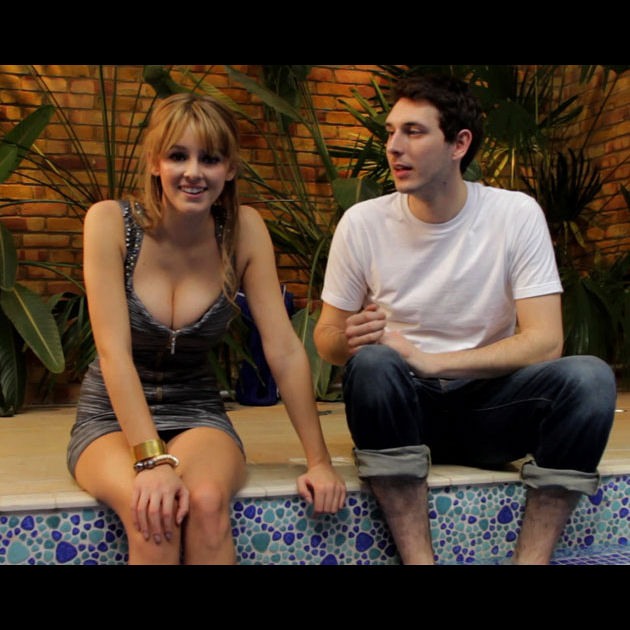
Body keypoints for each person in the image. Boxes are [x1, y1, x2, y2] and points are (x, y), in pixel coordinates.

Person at [313, 75, 616, 565]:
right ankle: (419, 560)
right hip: (404, 410)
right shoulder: (363, 222)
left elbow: (545, 342)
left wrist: (432, 361)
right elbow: (326, 338)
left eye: (413, 132)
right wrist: (347, 340)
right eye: (390, 132)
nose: (393, 147)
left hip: (491, 409)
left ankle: (532, 559)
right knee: (373, 364)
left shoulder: (514, 214)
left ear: (459, 144)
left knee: (590, 379)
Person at [67, 92, 346, 565]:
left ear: (230, 169)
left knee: (208, 502)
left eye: (210, 159)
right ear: (155, 162)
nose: (193, 172)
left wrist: (318, 461)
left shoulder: (244, 230)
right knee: (150, 513)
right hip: (110, 417)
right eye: (178, 156)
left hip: (197, 409)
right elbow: (113, 353)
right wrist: (151, 461)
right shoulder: (110, 223)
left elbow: (284, 350)